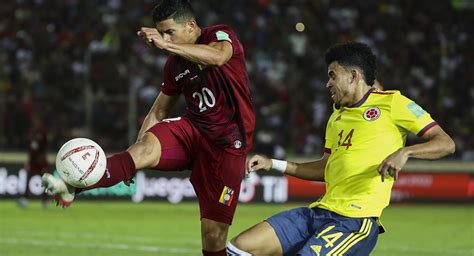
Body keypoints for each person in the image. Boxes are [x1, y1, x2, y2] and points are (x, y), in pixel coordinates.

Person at [42, 0, 255, 255]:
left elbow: (218, 57)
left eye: (169, 32)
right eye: (161, 33)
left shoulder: (220, 34)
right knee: (142, 151)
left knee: (213, 236)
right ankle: (73, 187)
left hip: (227, 145)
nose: (163, 39)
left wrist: (166, 44)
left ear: (191, 26)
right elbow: (159, 111)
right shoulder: (174, 65)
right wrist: (135, 154)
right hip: (193, 130)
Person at [226, 42, 455, 256]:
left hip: (354, 221)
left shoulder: (393, 103)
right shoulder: (337, 117)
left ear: (353, 76)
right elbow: (324, 168)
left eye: (332, 75)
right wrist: (272, 164)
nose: (328, 83)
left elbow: (445, 143)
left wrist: (405, 152)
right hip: (318, 212)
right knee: (240, 247)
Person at [17, 115, 50, 208]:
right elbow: (30, 148)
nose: (35, 123)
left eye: (36, 121)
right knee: (27, 179)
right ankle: (24, 199)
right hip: (32, 161)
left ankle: (45, 201)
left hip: (41, 161)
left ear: (40, 122)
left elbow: (45, 147)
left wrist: (42, 158)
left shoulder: (43, 132)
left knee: (45, 181)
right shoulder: (31, 132)